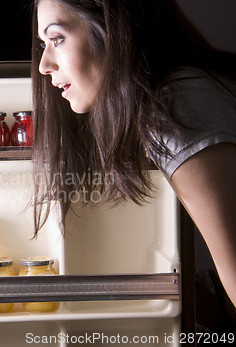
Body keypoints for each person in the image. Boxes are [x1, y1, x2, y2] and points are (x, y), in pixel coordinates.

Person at [31, 0, 236, 307]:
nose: (44, 64)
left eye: (57, 39)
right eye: (43, 44)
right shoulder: (178, 91)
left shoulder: (177, 107)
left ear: (113, 31)